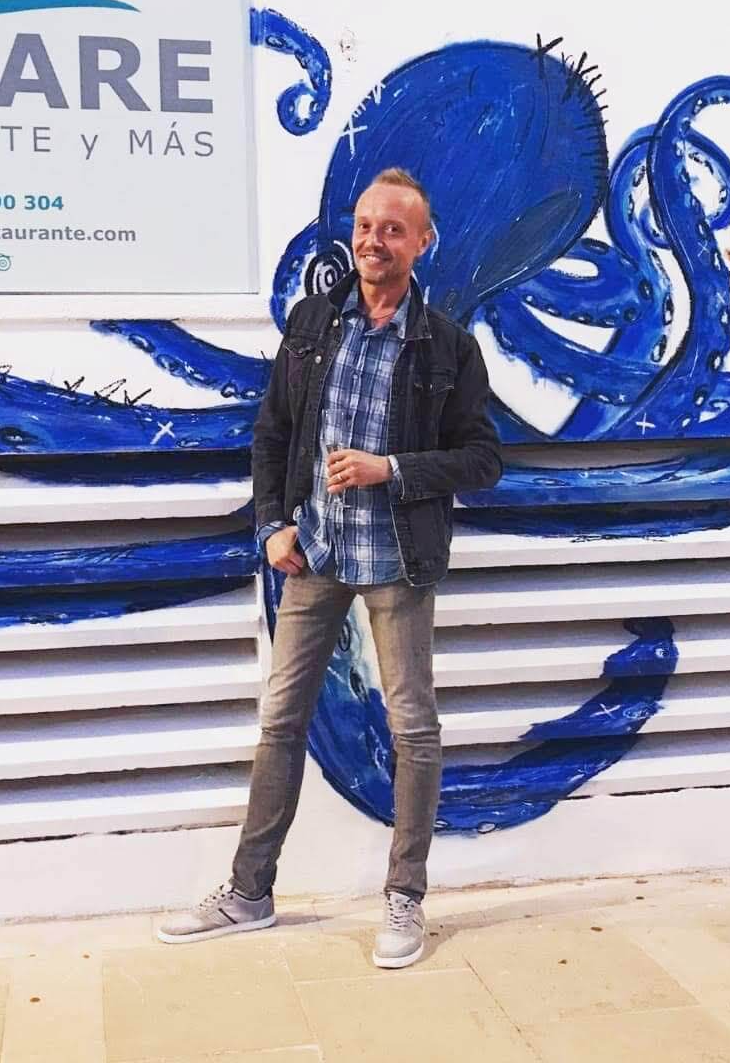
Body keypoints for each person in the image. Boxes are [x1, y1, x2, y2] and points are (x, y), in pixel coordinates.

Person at [158, 168, 502, 968]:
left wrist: (393, 470)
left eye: (393, 229)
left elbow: (484, 459)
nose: (373, 240)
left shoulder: (447, 346)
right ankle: (249, 893)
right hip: (314, 552)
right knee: (280, 721)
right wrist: (271, 524)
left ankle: (405, 898)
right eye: (365, 225)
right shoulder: (316, 322)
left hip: (396, 560)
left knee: (412, 727)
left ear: (422, 243)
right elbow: (273, 431)